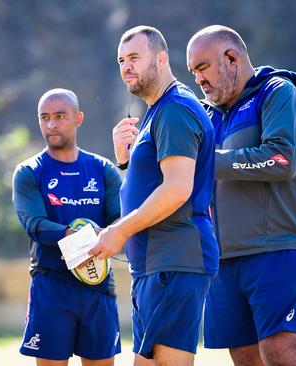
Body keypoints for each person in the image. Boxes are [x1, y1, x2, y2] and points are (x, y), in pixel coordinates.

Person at [187, 25, 296, 366]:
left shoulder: (278, 93)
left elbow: (282, 159)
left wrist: (206, 161)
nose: (198, 80)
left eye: (202, 68)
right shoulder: (206, 117)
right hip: (224, 260)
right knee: (245, 359)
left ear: (231, 58)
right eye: (193, 73)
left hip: (281, 248)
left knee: (281, 354)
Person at [89, 26, 218, 366]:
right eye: (121, 60)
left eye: (134, 57)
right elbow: (151, 186)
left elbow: (177, 188)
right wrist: (125, 162)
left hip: (174, 259)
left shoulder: (175, 108)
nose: (126, 67)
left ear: (161, 59)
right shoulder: (157, 111)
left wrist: (120, 230)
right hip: (153, 265)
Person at [12, 88, 123, 366]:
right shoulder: (29, 172)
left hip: (97, 285)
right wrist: (83, 238)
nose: (51, 124)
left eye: (60, 116)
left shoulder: (103, 169)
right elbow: (35, 225)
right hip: (51, 286)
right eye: (45, 117)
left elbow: (121, 221)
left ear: (78, 118)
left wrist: (108, 236)